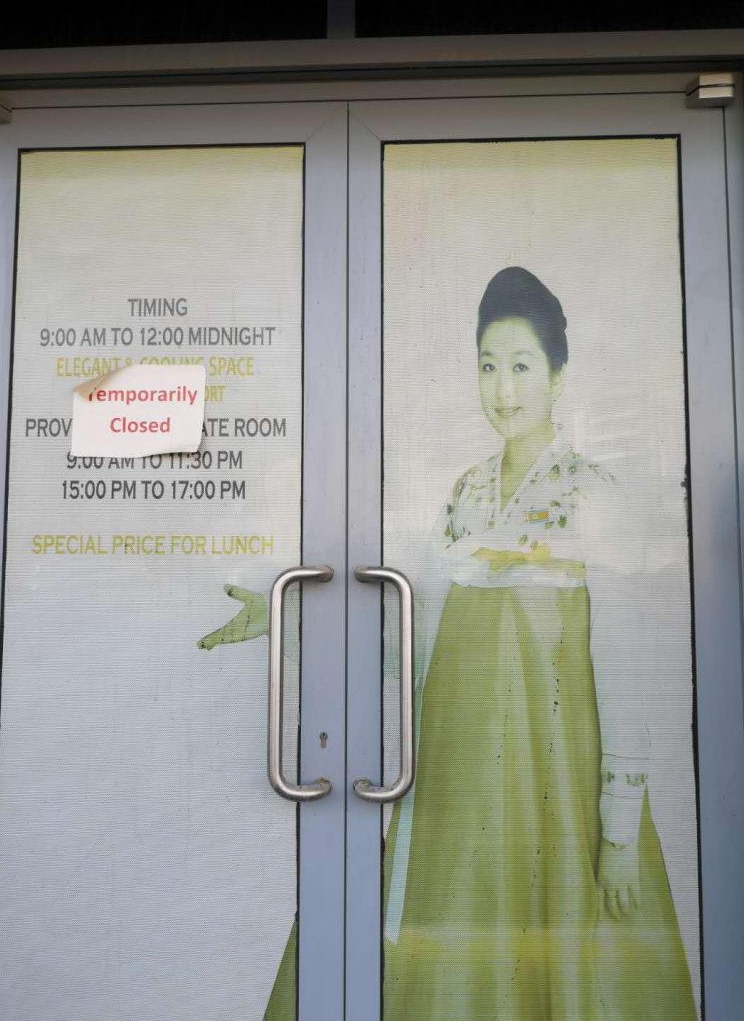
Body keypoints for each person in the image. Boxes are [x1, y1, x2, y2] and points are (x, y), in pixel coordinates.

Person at [198, 266, 697, 1020]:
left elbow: (625, 670)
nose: (504, 390)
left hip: (554, 791)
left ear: (558, 375)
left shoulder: (595, 495)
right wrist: (290, 623)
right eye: (489, 367)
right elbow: (411, 641)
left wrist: (619, 830)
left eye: (522, 366)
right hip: (456, 785)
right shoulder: (463, 495)